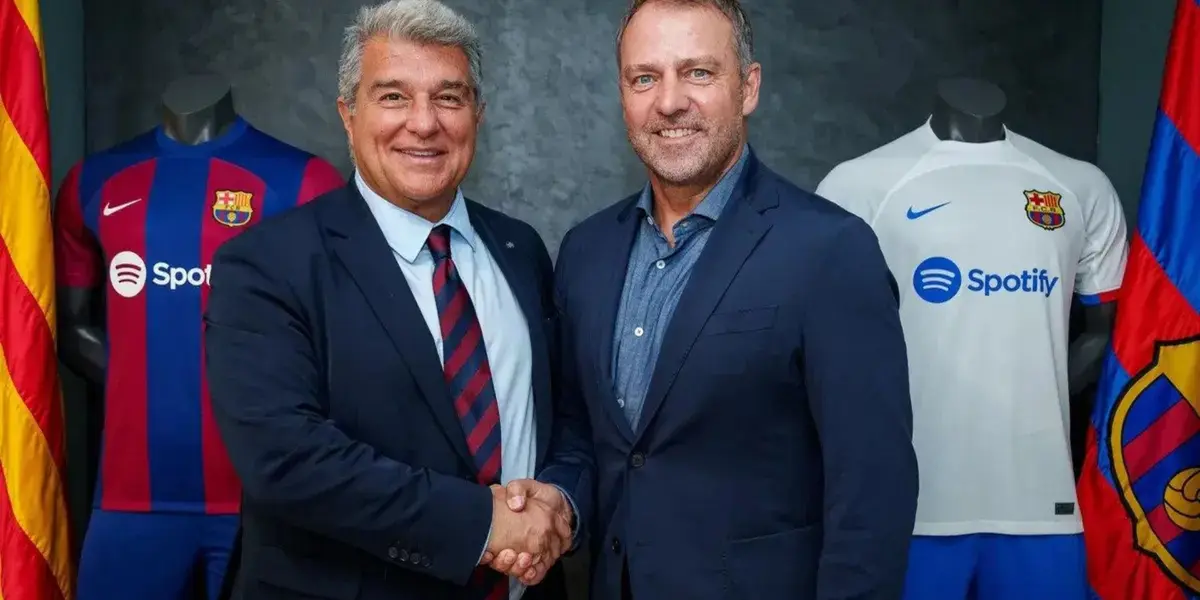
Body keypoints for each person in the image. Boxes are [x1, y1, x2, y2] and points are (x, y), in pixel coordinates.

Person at [202, 1, 593, 598]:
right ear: (347, 114)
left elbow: (566, 415)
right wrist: (483, 523)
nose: (424, 123)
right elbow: (287, 461)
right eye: (392, 97)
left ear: (478, 115)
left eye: (449, 97)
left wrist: (560, 502)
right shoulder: (265, 266)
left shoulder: (520, 248)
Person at [552, 0, 920, 598]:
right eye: (645, 77)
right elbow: (582, 433)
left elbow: (873, 491)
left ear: (747, 88)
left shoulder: (830, 250)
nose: (669, 101)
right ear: (623, 95)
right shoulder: (585, 253)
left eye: (697, 72)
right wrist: (554, 502)